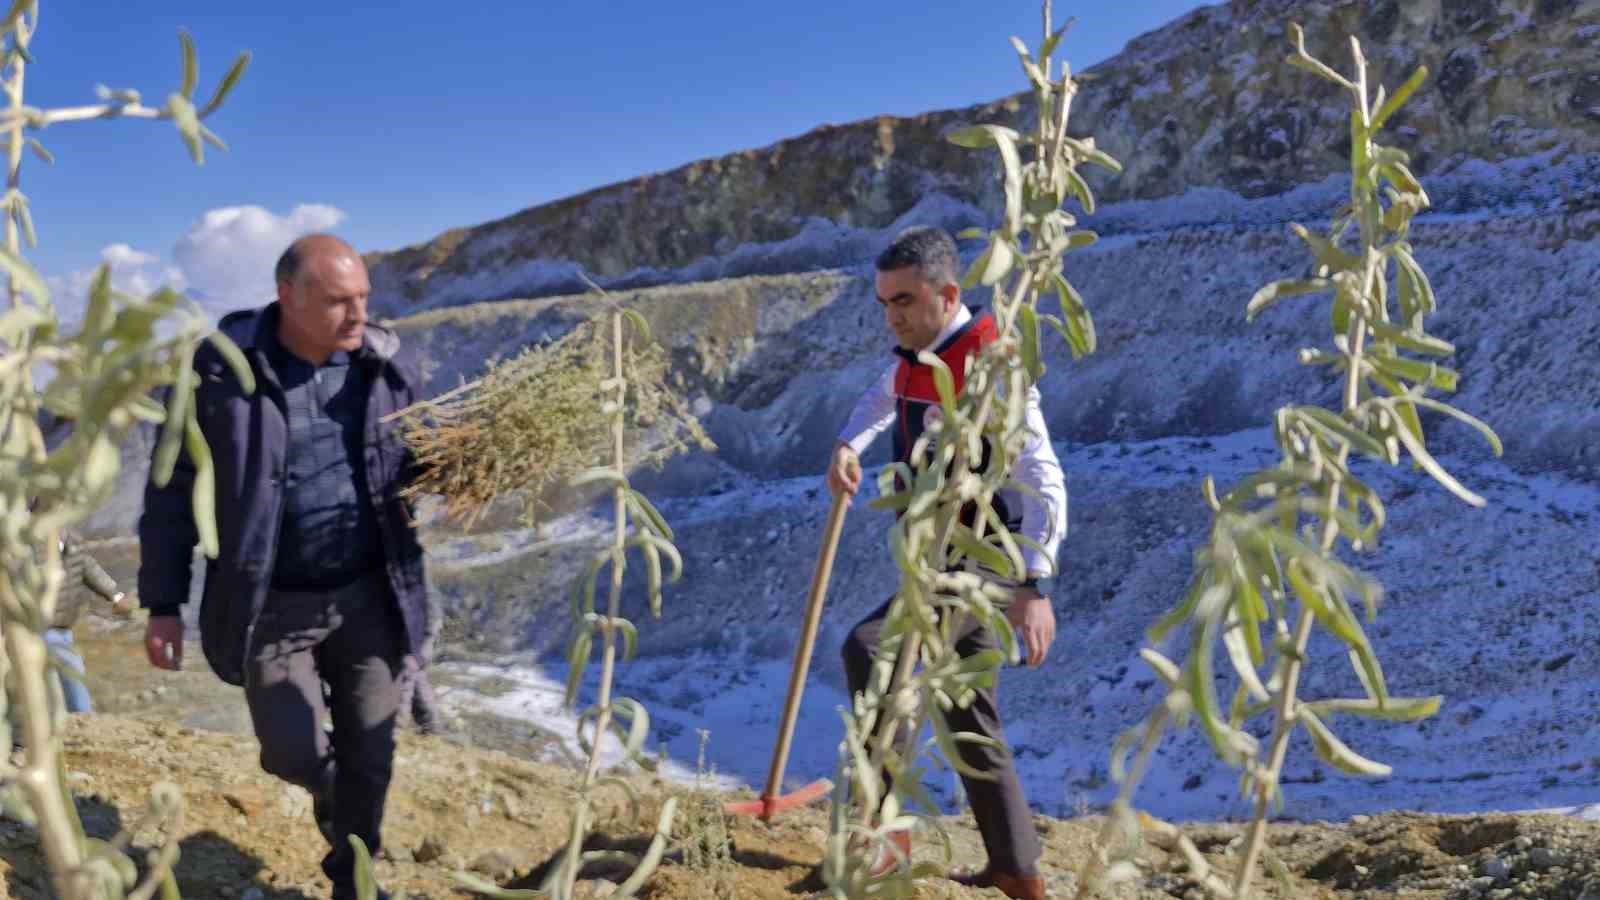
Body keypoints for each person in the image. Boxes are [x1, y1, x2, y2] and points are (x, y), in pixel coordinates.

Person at [138, 234, 430, 900]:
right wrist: (163, 603)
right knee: (293, 753)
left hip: (368, 599)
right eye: (337, 303)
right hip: (271, 606)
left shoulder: (384, 369)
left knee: (373, 750)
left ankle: (355, 881)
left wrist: (471, 462)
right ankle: (342, 800)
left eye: (363, 297)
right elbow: (170, 495)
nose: (358, 316)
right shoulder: (218, 377)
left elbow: (413, 462)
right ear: (287, 296)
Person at [827, 226, 1065, 900]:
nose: (891, 314)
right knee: (967, 712)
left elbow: (1042, 475)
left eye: (903, 299)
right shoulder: (917, 353)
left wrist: (1032, 582)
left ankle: (879, 848)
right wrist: (849, 442)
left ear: (948, 293)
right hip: (934, 559)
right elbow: (882, 395)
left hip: (979, 558)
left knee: (873, 649)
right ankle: (1017, 872)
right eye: (883, 302)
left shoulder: (989, 361)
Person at [48, 530, 132, 714]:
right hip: (32, 628)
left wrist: (115, 596)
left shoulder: (72, 543)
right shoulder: (24, 543)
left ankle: (81, 723)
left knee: (68, 679)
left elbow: (89, 568)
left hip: (62, 629)